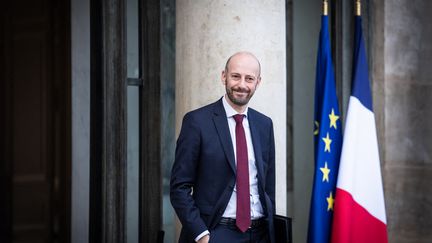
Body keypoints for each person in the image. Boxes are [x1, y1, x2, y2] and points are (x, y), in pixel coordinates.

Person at [170, 52, 275, 243]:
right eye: (236, 76)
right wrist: (202, 235)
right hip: (216, 232)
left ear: (258, 82)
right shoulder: (197, 122)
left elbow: (268, 186)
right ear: (223, 76)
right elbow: (179, 187)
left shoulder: (264, 124)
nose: (242, 84)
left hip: (260, 234)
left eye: (249, 78)